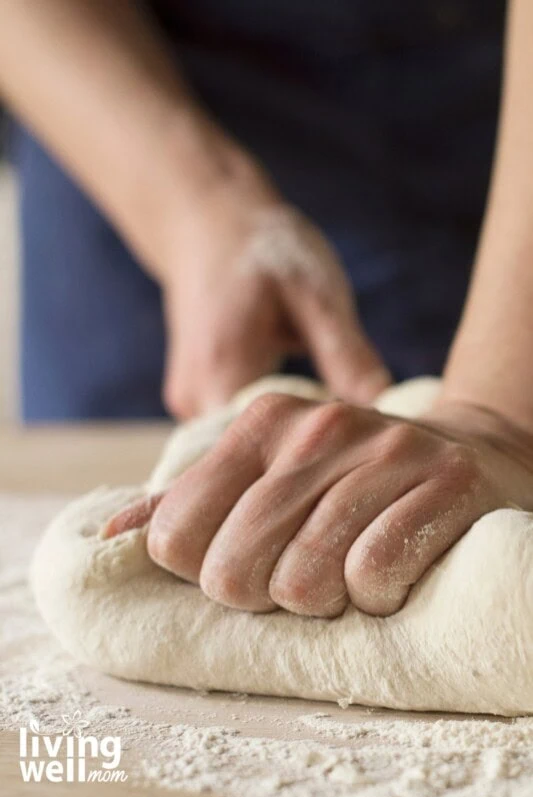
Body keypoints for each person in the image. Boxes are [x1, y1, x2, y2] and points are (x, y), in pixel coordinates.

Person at [3, 0, 533, 619]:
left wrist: (501, 412)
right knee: (150, 537)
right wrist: (193, 205)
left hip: (495, 124)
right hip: (120, 84)